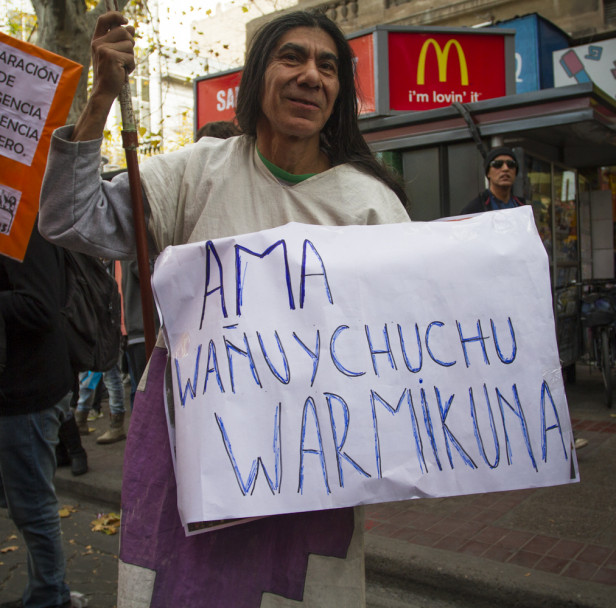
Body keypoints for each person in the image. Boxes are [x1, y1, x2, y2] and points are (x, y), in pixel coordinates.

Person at [38, 9, 410, 607]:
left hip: (313, 474)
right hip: (192, 461)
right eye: (293, 57)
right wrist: (101, 97)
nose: (311, 76)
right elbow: (65, 217)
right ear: (258, 75)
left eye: (328, 66)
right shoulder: (195, 172)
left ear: (339, 93)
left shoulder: (372, 206)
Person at [0, 223, 75, 608]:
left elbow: (40, 305)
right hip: (21, 391)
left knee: (32, 506)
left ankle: (50, 596)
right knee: (26, 503)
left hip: (27, 394)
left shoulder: (22, 226)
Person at [461, 146, 526, 214]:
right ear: (488, 173)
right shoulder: (474, 209)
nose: (505, 168)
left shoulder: (524, 207)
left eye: (511, 164)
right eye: (497, 164)